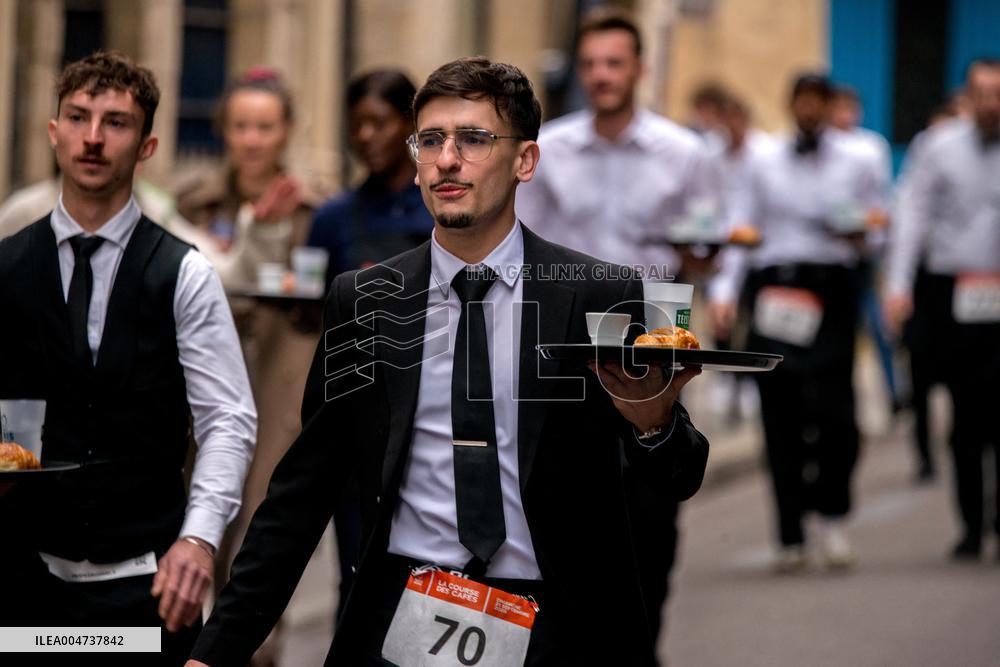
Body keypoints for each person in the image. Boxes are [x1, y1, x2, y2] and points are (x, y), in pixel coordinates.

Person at [186, 56, 710, 667]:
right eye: (431, 140)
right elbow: (301, 493)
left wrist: (653, 425)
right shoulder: (366, 303)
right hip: (402, 615)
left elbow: (676, 479)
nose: (447, 159)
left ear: (525, 161)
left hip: (554, 626)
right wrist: (213, 653)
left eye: (474, 139)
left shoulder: (598, 294)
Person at [0, 51, 256, 665]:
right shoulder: (8, 265)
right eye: (78, 117)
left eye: (115, 122)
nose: (93, 137)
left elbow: (227, 419)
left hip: (148, 586)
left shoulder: (184, 273)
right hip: (25, 581)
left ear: (146, 146)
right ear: (54, 131)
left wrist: (199, 541)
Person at [515, 8, 721, 650]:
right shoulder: (550, 150)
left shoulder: (683, 152)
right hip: (569, 330)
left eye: (614, 63)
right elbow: (523, 241)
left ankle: (641, 645)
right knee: (566, 489)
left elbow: (709, 243)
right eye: (591, 64)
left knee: (650, 501)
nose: (601, 75)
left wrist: (707, 265)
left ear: (639, 69)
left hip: (653, 323)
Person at [711, 73, 881, 572]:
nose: (808, 110)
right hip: (776, 289)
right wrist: (724, 292)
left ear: (828, 107)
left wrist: (865, 237)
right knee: (779, 413)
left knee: (837, 417)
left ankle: (833, 517)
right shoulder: (762, 160)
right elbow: (741, 226)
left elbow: (879, 225)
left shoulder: (860, 157)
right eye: (800, 101)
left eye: (817, 102)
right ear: (789, 105)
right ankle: (790, 535)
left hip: (832, 289)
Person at [884, 57, 1000, 560]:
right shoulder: (938, 146)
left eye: (999, 94)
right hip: (952, 296)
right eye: (983, 94)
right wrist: (897, 286)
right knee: (966, 414)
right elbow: (912, 213)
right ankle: (972, 525)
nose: (991, 104)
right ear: (968, 97)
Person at [309, 68, 434, 282]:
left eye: (380, 124)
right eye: (356, 125)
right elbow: (314, 295)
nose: (365, 136)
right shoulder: (332, 217)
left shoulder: (438, 207)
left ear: (410, 124)